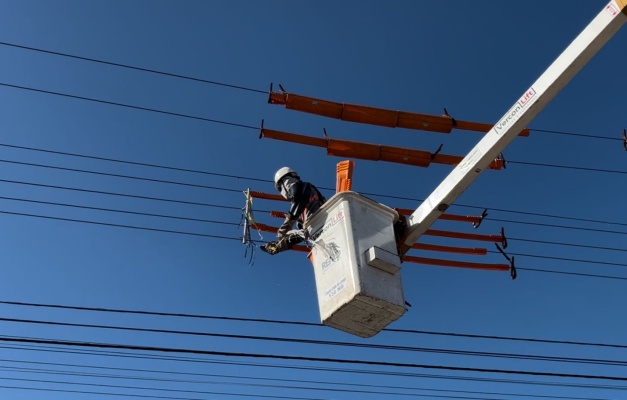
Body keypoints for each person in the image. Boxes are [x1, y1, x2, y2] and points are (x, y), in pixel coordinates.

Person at [261, 167, 326, 255]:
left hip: (328, 225)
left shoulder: (305, 188)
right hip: (320, 238)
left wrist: (287, 223)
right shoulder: (301, 217)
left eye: (281, 188)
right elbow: (302, 234)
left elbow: (299, 196)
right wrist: (280, 245)